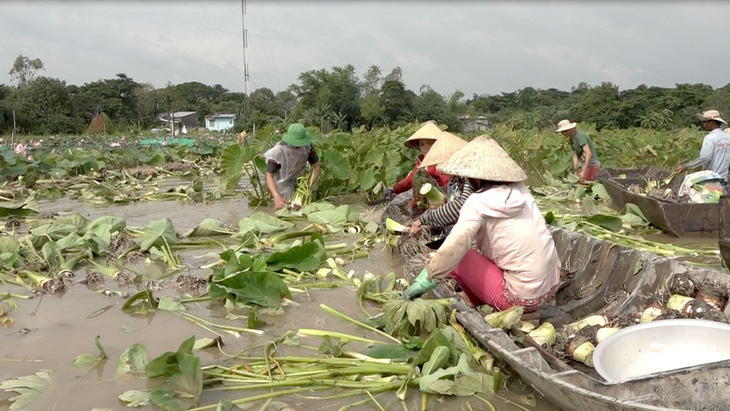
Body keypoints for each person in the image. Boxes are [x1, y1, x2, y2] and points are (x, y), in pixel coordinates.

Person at [403, 135, 561, 312]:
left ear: (475, 177)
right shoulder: (521, 190)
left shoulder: (477, 202)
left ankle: (477, 299)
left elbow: (455, 245)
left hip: (521, 300)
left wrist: (426, 278)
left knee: (458, 254)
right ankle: (475, 298)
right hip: (550, 287)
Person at [409, 131, 473, 234]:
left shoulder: (470, 179)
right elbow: (449, 205)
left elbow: (459, 206)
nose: (439, 169)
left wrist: (423, 219)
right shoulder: (456, 180)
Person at [384, 121, 451, 200]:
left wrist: (439, 192)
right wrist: (393, 189)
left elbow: (449, 184)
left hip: (441, 199)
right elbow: (410, 179)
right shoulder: (422, 160)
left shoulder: (442, 160)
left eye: (430, 143)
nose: (425, 147)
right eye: (422, 144)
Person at [264, 123, 321, 210]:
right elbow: (269, 176)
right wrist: (276, 196)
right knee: (281, 211)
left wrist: (307, 186)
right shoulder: (277, 152)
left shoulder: (307, 148)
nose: (298, 147)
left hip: (298, 183)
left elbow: (317, 167)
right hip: (280, 186)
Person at [677, 110, 730, 181]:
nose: (704, 124)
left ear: (713, 122)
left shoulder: (710, 137)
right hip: (723, 178)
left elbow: (705, 157)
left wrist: (686, 166)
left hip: (711, 178)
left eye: (705, 121)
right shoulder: (728, 137)